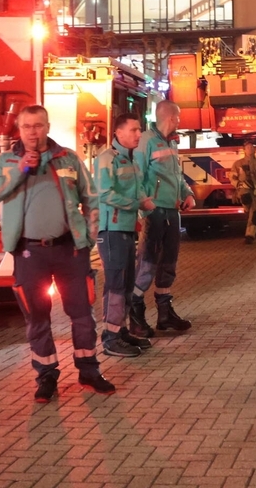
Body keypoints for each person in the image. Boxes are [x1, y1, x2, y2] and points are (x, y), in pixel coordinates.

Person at [0, 104, 114, 402]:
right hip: (28, 253)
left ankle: (89, 371)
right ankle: (46, 376)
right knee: (37, 317)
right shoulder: (6, 161)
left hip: (69, 251)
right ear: (19, 130)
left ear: (47, 127)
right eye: (26, 126)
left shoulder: (68, 158)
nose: (32, 132)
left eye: (38, 125)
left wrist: (88, 239)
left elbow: (91, 198)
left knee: (82, 314)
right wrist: (19, 170)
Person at [131, 100, 197, 337]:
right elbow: (136, 176)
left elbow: (176, 175)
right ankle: (135, 313)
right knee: (147, 262)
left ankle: (165, 314)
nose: (179, 121)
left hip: (171, 211)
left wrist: (187, 193)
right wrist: (144, 208)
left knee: (168, 262)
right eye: (178, 117)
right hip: (155, 212)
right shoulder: (147, 141)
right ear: (170, 118)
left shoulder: (171, 142)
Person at [94, 112, 157, 358]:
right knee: (116, 285)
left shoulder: (129, 159)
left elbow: (138, 189)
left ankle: (120, 331)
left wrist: (145, 203)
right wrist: (136, 204)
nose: (139, 134)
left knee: (127, 283)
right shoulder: (107, 159)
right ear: (118, 133)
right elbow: (104, 193)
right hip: (112, 231)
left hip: (127, 229)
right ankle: (110, 339)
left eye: (139, 129)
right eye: (133, 130)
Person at [230, 139, 256, 244]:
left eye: (252, 147)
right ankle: (246, 209)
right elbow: (232, 177)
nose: (250, 149)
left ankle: (250, 235)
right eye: (248, 147)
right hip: (244, 190)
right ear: (244, 150)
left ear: (255, 149)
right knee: (247, 202)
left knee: (255, 213)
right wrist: (238, 184)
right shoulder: (238, 164)